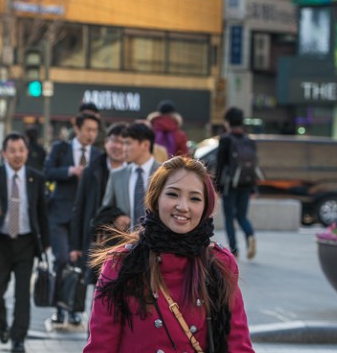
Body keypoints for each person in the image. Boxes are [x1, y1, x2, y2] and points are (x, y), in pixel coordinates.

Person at [85, 157, 254, 352]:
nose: (183, 206)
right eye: (173, 194)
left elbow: (237, 344)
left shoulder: (219, 262)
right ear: (156, 198)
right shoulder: (122, 263)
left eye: (195, 198)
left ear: (206, 206)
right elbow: (101, 346)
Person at [0, 133, 50, 353]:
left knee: (23, 294)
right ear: (4, 154)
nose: (17, 155)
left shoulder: (36, 177)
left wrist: (45, 244)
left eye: (21, 150)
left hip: (26, 242)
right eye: (13, 150)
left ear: (27, 152)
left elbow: (42, 212)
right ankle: (2, 323)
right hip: (0, 242)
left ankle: (18, 338)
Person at [43, 112, 101, 325]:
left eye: (95, 131)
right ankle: (60, 307)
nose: (91, 135)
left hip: (85, 218)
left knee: (82, 263)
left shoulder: (97, 155)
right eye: (88, 130)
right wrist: (70, 171)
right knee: (62, 260)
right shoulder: (61, 148)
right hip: (60, 213)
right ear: (77, 129)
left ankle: (76, 309)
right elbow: (47, 171)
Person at [69, 122, 127, 267]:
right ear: (106, 142)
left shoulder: (134, 172)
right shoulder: (91, 170)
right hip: (97, 239)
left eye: (123, 142)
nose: (118, 146)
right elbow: (79, 208)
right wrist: (76, 246)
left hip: (127, 238)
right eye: (114, 140)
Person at [99, 122, 159, 232]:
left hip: (158, 243)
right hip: (125, 244)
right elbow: (105, 210)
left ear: (145, 145)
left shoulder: (164, 173)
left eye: (128, 143)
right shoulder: (116, 175)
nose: (123, 148)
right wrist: (116, 217)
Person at [216, 107, 257, 260]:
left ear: (228, 122)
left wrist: (217, 186)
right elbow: (252, 167)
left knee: (229, 218)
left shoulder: (226, 139)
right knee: (241, 216)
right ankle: (250, 235)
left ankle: (234, 250)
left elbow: (220, 165)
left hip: (229, 185)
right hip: (246, 184)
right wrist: (253, 187)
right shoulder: (249, 140)